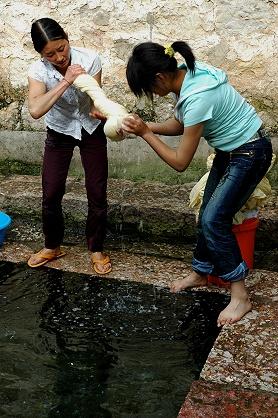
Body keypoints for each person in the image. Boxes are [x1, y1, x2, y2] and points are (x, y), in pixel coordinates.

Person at [121, 41, 273, 326]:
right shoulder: (188, 71)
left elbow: (180, 162)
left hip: (249, 153)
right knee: (207, 214)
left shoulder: (197, 96)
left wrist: (144, 134)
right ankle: (201, 272)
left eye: (149, 89)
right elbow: (181, 124)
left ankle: (240, 296)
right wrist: (144, 126)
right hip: (232, 151)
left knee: (215, 219)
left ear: (159, 78)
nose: (153, 95)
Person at [27, 17, 111, 274]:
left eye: (61, 48)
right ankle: (53, 246)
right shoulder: (38, 71)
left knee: (96, 191)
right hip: (59, 130)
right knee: (51, 192)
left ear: (67, 38)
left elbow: (96, 100)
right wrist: (66, 81)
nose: (59, 57)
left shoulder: (90, 59)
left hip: (90, 129)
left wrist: (105, 113)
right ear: (41, 54)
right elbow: (35, 110)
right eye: (50, 54)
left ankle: (96, 248)